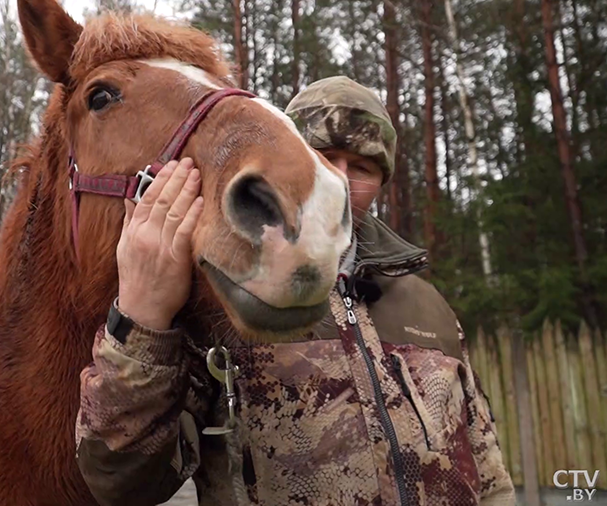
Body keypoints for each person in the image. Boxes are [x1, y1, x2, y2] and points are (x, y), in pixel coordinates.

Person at [74, 76, 515, 506]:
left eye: (361, 166)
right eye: (323, 156)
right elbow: (122, 482)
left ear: (381, 180)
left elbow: (485, 464)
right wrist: (143, 321)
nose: (339, 178)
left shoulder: (426, 304)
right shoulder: (226, 301)